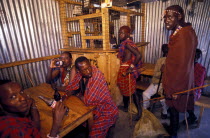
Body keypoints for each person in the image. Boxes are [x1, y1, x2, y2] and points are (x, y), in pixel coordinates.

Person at [162, 5, 198, 137]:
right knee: (177, 105)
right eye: (165, 17)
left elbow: (181, 64)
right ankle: (189, 119)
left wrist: (175, 89)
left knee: (173, 106)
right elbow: (178, 58)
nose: (166, 20)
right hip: (180, 76)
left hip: (177, 80)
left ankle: (173, 133)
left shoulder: (183, 35)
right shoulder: (183, 31)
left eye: (170, 17)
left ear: (180, 16)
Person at [65, 56, 118, 138]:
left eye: (89, 67)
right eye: (84, 70)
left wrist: (78, 95)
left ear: (90, 65)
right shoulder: (79, 75)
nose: (89, 71)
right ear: (79, 71)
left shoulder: (96, 75)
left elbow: (88, 100)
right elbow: (71, 86)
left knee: (92, 135)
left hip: (106, 109)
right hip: (93, 107)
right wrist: (71, 92)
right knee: (75, 120)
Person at [0, 80, 67, 138]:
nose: (23, 98)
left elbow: (35, 127)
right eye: (13, 97)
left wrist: (33, 104)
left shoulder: (15, 117)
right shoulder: (15, 132)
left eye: (21, 92)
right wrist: (56, 124)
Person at [117, 26, 142, 120]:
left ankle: (140, 112)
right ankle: (125, 107)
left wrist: (130, 68)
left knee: (133, 91)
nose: (120, 35)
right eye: (119, 32)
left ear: (127, 34)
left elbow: (138, 55)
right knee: (125, 89)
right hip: (124, 68)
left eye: (122, 33)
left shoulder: (127, 44)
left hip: (127, 70)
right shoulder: (124, 43)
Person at [142, 44, 168, 119]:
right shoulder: (160, 60)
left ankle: (164, 112)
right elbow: (155, 74)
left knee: (163, 98)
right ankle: (146, 110)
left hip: (167, 85)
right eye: (164, 49)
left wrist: (166, 72)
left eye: (167, 49)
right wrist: (161, 71)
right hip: (157, 83)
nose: (165, 51)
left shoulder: (173, 61)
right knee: (145, 94)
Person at [182, 48, 206, 125]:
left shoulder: (201, 68)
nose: (193, 57)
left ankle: (192, 116)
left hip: (195, 90)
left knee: (186, 96)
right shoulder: (187, 66)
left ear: (198, 57)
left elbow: (198, 85)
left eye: (195, 56)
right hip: (187, 88)